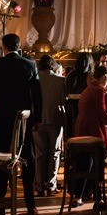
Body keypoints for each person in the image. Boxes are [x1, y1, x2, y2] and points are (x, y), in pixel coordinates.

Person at [0, 33, 41, 215]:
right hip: (23, 120)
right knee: (27, 160)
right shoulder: (30, 64)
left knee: (0, 161)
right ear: (19, 46)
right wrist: (37, 119)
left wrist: (3, 102)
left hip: (1, 117)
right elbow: (37, 95)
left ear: (4, 47)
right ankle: (30, 205)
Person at [71, 65, 107, 208]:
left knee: (85, 161)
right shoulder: (98, 91)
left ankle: (80, 194)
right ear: (104, 77)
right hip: (92, 129)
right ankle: (98, 197)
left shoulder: (87, 89)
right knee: (97, 163)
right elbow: (102, 115)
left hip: (80, 128)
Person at [34, 55, 66, 197]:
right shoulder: (60, 80)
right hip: (55, 119)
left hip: (38, 120)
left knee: (40, 154)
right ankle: (51, 185)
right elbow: (63, 103)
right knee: (55, 153)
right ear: (53, 65)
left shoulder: (34, 80)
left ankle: (39, 186)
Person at [65, 53, 94, 139]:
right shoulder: (89, 76)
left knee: (71, 131)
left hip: (70, 106)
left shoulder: (70, 75)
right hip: (84, 106)